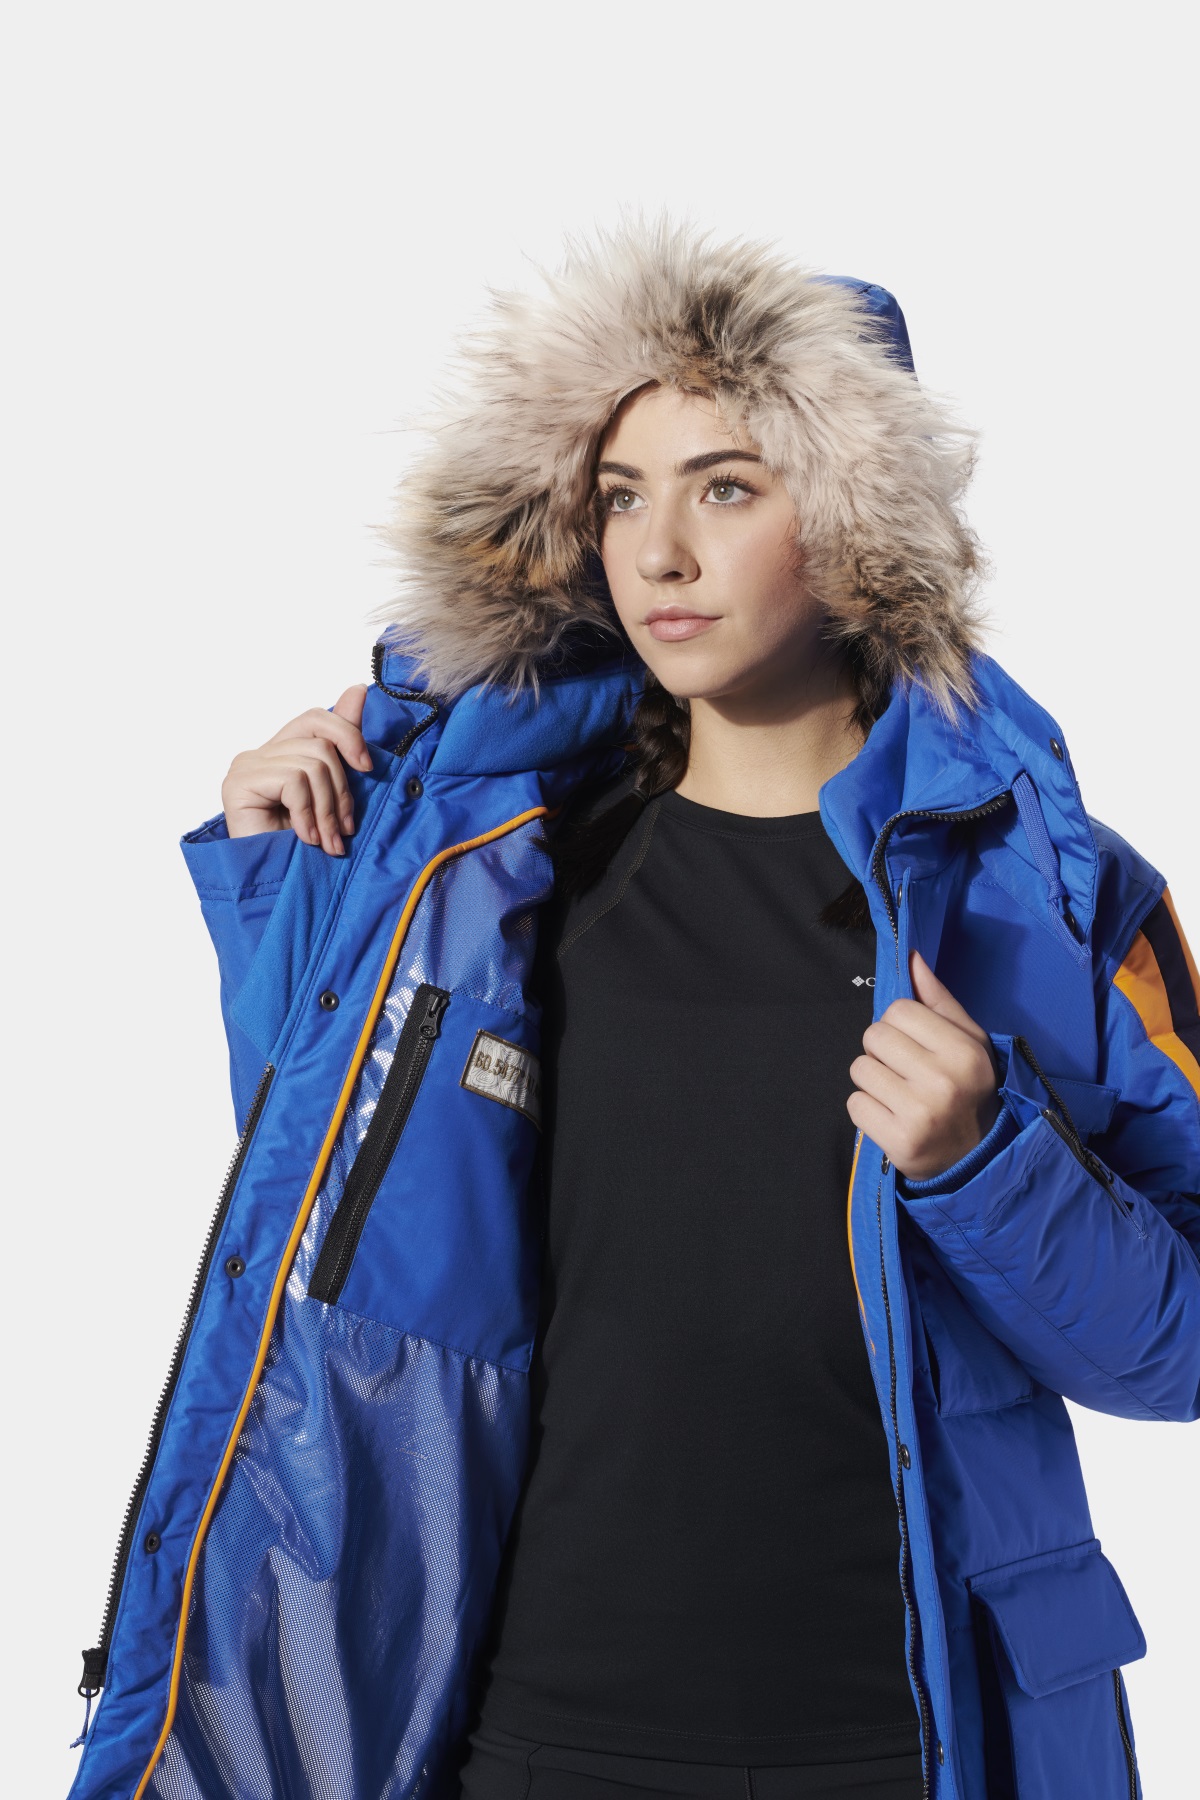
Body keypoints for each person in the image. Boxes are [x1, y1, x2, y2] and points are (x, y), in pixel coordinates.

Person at [67, 219, 1199, 1800]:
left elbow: (1178, 1349)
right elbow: (341, 1228)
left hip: (910, 1741)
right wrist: (287, 887)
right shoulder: (504, 872)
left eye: (725, 487)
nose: (658, 552)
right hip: (538, 1734)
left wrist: (984, 1161)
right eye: (619, 495)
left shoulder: (1043, 894)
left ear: (856, 519)